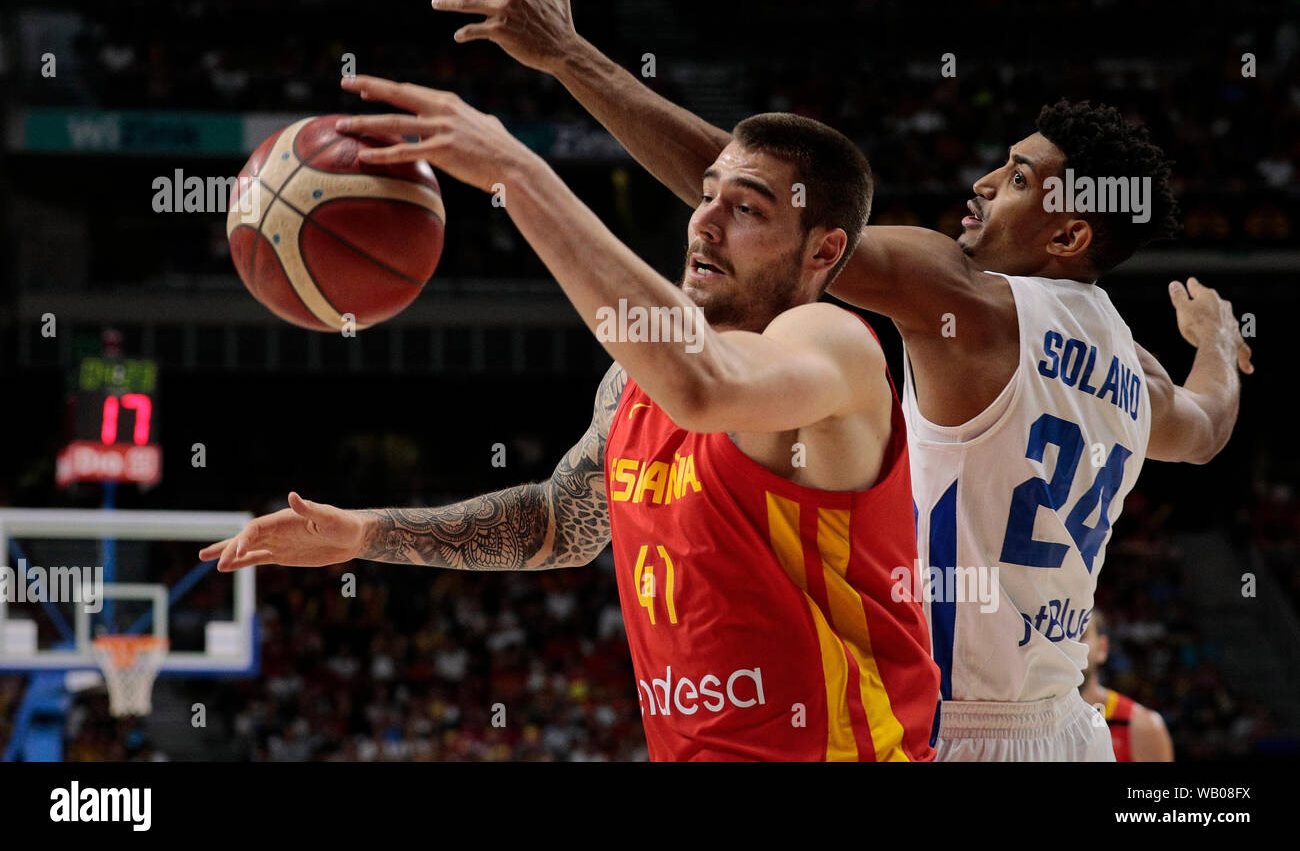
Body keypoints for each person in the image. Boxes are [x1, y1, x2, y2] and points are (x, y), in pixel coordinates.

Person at [432, 0, 1255, 760]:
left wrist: (568, 58)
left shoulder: (967, 300)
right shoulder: (1132, 366)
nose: (982, 182)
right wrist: (1217, 344)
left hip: (946, 727)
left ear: (1071, 232)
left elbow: (771, 206)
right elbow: (1209, 427)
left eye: (1015, 180)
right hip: (1067, 730)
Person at [201, 80, 941, 761]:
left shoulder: (832, 345)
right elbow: (557, 525)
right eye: (707, 195)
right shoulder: (633, 384)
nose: (705, 222)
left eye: (746, 208)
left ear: (826, 249)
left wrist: (516, 173)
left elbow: (706, 388)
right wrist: (367, 533)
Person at [1078, 610, 1174, 761]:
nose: (1068, 645)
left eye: (1079, 635)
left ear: (1102, 648)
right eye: (1057, 637)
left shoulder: (1142, 727)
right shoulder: (1030, 723)